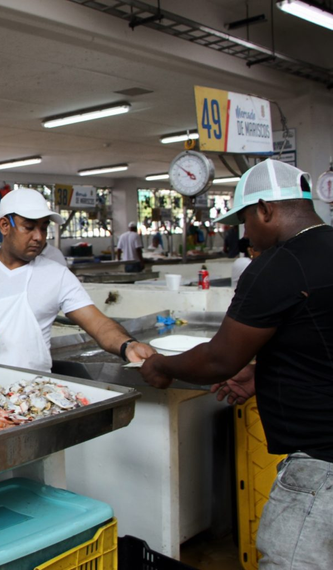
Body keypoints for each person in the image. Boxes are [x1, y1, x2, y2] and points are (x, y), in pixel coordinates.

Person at [139, 159, 333, 570]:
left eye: (245, 219)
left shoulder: (278, 265)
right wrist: (266, 371)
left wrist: (163, 365)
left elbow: (218, 358)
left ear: (264, 209)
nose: (245, 234)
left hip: (323, 468)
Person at [0, 188, 156, 371]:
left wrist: (127, 346)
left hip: (33, 389)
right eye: (29, 227)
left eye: (43, 227)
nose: (39, 237)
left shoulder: (57, 275)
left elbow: (99, 325)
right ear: (4, 225)